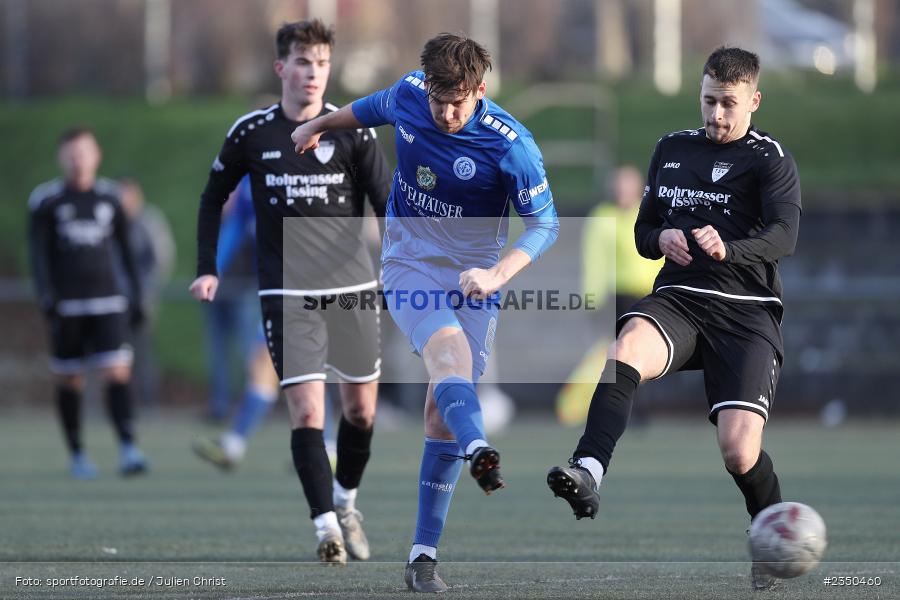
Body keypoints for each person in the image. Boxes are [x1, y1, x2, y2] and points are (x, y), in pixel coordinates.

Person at [291, 33, 560, 592]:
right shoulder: (412, 93)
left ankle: (421, 557)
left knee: (441, 410)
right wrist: (317, 126)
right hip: (409, 260)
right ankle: (479, 445)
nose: (445, 112)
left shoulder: (512, 146)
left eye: (457, 102)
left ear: (480, 90)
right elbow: (368, 108)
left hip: (476, 278)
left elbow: (546, 224)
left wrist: (495, 275)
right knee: (446, 355)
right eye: (438, 101)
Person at [546, 47, 801, 591]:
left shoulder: (771, 160)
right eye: (709, 101)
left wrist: (729, 249)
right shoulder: (671, 149)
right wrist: (659, 237)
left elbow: (785, 236)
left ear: (753, 100)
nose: (717, 115)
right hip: (681, 297)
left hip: (747, 315)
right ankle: (588, 470)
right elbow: (643, 232)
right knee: (626, 349)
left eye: (729, 104)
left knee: (739, 452)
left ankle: (771, 536)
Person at [190, 20, 391, 564]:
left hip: (353, 290)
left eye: (322, 63)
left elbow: (387, 205)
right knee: (306, 412)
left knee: (361, 412)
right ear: (282, 67)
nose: (313, 73)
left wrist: (404, 269)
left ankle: (346, 502)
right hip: (287, 294)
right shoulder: (252, 132)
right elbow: (213, 198)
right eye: (303, 62)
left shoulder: (355, 130)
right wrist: (207, 266)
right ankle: (325, 527)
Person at [27, 127, 149, 479]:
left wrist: (137, 296)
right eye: (71, 153)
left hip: (108, 301)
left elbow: (127, 251)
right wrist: (47, 296)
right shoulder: (46, 201)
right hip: (68, 305)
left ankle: (129, 447)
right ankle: (78, 453)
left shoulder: (111, 198)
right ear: (61, 158)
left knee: (117, 373)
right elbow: (39, 254)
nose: (77, 159)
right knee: (70, 379)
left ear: (97, 156)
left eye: (84, 152)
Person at [192, 175, 280, 468]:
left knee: (294, 369)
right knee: (272, 368)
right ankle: (234, 444)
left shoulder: (302, 166)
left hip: (309, 285)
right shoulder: (248, 184)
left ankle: (331, 447)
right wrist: (212, 272)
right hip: (278, 288)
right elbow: (236, 227)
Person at [118, 178, 176, 408]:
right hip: (115, 299)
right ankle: (118, 403)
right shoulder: (112, 221)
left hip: (142, 299)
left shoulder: (149, 221)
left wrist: (146, 289)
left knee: (143, 352)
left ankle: (148, 403)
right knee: (114, 354)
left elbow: (161, 258)